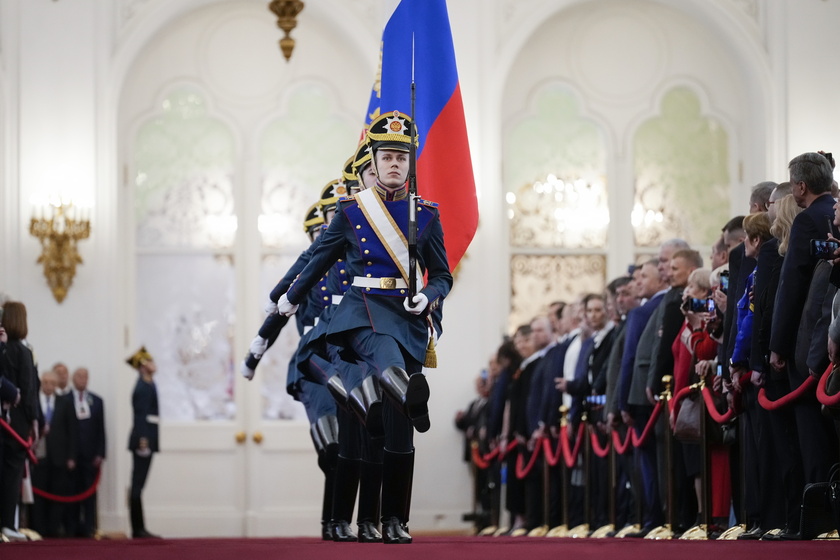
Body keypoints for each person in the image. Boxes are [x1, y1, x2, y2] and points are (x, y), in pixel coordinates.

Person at [275, 110, 453, 544]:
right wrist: (289, 299)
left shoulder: (425, 216)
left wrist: (427, 297)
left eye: (402, 157)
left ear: (411, 165)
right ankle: (404, 390)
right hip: (363, 314)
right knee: (384, 367)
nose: (394, 164)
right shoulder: (353, 212)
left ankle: (394, 520)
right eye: (387, 156)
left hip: (406, 316)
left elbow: (443, 275)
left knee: (400, 433)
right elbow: (319, 261)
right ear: (373, 160)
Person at [0, 301, 39, 542]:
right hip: (18, 423)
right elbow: (28, 390)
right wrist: (34, 421)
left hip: (4, 419)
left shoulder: (3, 350)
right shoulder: (24, 352)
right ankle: (7, 524)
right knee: (13, 473)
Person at [31, 369, 77, 538]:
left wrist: (71, 456)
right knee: (39, 494)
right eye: (46, 382)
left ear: (57, 385)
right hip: (39, 456)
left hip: (60, 457)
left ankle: (53, 529)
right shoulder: (34, 400)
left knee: (58, 494)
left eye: (52, 383)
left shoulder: (65, 402)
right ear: (41, 383)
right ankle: (38, 529)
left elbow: (72, 431)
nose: (49, 386)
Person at [126, 346, 161, 539]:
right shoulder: (142, 386)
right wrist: (142, 441)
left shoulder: (148, 384)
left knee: (139, 484)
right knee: (137, 484)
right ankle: (137, 528)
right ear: (142, 366)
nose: (153, 364)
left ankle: (139, 527)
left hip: (148, 436)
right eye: (149, 361)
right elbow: (140, 417)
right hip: (143, 439)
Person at [69, 367, 105, 538]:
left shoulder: (97, 401)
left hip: (91, 455)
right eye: (79, 376)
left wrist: (100, 453)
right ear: (73, 378)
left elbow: (101, 430)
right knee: (73, 492)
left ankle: (89, 526)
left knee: (89, 493)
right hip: (72, 456)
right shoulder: (65, 400)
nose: (83, 379)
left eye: (86, 376)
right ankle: (74, 527)